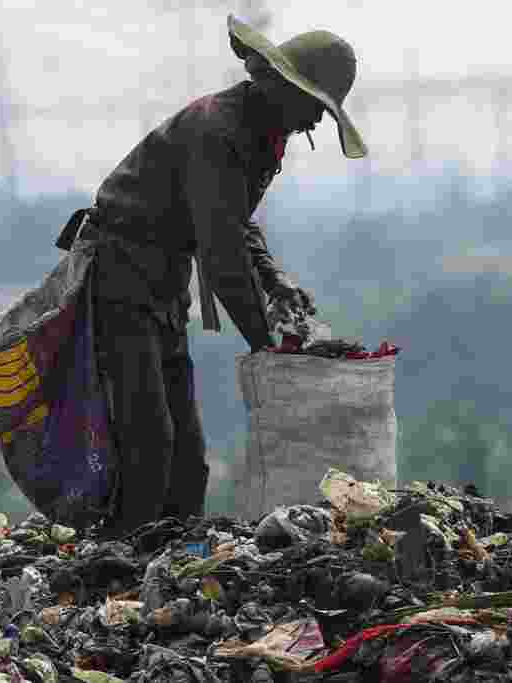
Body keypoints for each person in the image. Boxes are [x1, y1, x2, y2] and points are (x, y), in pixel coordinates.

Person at [70, 14, 368, 539]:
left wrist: (275, 282)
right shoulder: (218, 131)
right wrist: (267, 347)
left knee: (188, 460)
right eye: (315, 107)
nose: (317, 123)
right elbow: (223, 255)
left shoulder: (258, 134)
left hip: (161, 284)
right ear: (283, 85)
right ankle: (118, 569)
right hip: (118, 276)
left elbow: (237, 223)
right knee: (150, 443)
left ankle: (179, 560)